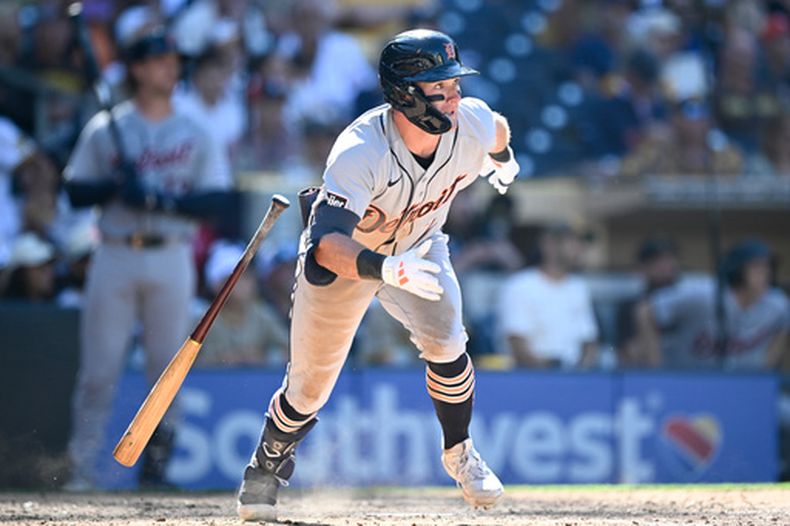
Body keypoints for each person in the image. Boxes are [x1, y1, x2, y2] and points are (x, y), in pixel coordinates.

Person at [236, 29, 519, 522]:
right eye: (440, 86)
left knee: (449, 341)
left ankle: (459, 452)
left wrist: (503, 159)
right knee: (308, 387)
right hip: (352, 257)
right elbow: (326, 245)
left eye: (454, 83)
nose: (454, 96)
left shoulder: (468, 120)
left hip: (420, 245)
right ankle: (265, 468)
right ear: (406, 94)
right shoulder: (360, 149)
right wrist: (386, 268)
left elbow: (496, 127)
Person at [62, 27, 232, 490]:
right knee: (99, 370)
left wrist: (159, 202)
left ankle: (155, 470)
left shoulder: (195, 130)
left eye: (173, 61)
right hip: (114, 253)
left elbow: (218, 201)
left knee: (167, 369)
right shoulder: (109, 127)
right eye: (159, 61)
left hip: (171, 255)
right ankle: (82, 469)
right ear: (137, 69)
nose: (170, 68)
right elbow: (75, 189)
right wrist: (118, 187)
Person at [633, 239, 789, 370]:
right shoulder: (704, 294)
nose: (766, 274)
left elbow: (783, 328)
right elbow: (646, 310)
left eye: (768, 267)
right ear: (737, 270)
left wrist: (764, 373)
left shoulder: (777, 304)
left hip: (738, 385)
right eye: (757, 267)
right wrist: (656, 367)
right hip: (685, 377)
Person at [496, 223, 599, 369]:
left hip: (574, 377)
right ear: (549, 245)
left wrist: (581, 373)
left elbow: (589, 341)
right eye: (572, 241)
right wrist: (552, 372)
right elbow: (517, 344)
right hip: (530, 377)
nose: (579, 249)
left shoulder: (579, 288)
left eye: (581, 243)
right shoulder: (519, 285)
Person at [194, 241, 288, 367]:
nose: (244, 285)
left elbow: (289, 351)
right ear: (217, 286)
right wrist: (217, 360)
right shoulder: (198, 318)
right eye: (233, 279)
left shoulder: (262, 315)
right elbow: (176, 362)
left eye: (247, 277)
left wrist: (262, 357)